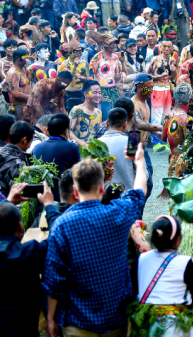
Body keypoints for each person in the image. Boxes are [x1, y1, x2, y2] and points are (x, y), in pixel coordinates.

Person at [43, 143, 149, 337]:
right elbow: (139, 192)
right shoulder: (119, 213)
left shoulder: (62, 225)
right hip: (115, 320)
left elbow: (54, 279)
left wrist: (50, 318)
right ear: (102, 188)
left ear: (75, 191)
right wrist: (139, 162)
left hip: (77, 323)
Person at [0, 182, 57, 337]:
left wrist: (7, 201)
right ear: (21, 228)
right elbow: (59, 233)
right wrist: (49, 205)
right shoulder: (31, 252)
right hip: (21, 330)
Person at [135, 216, 193, 337]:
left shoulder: (141, 259)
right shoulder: (184, 262)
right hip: (176, 327)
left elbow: (133, 289)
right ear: (178, 240)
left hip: (147, 325)